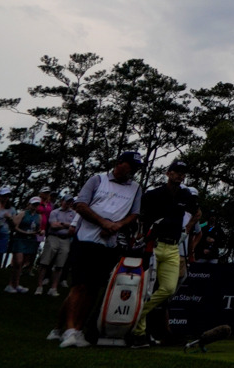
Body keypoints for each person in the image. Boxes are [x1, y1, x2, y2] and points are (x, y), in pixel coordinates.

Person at [52, 150, 143, 349]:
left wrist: (116, 226)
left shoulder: (135, 188)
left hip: (109, 244)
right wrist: (103, 223)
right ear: (120, 163)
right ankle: (69, 331)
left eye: (136, 168)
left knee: (93, 288)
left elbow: (134, 214)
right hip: (85, 239)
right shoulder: (97, 180)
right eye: (130, 165)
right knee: (80, 286)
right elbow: (81, 205)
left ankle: (75, 328)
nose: (133, 171)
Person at [127, 159, 200, 348]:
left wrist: (186, 230)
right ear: (168, 173)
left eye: (182, 173)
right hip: (154, 245)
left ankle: (137, 315)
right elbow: (140, 215)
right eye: (176, 172)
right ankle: (139, 333)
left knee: (168, 289)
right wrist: (141, 234)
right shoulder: (154, 194)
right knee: (147, 290)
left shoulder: (186, 195)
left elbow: (197, 213)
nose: (180, 175)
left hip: (173, 247)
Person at [34, 196, 79, 297]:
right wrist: (67, 225)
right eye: (66, 201)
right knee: (45, 263)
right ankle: (39, 286)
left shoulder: (74, 214)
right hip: (53, 237)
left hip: (66, 239)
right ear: (62, 201)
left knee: (60, 264)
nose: (68, 203)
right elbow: (53, 225)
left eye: (70, 202)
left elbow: (75, 227)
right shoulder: (55, 212)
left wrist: (61, 224)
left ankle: (53, 288)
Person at [6, 196, 43, 293]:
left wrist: (40, 234)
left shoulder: (39, 216)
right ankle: (10, 284)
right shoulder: (23, 213)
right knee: (18, 261)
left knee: (22, 263)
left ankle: (16, 284)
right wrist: (26, 233)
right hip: (20, 239)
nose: (35, 206)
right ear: (29, 204)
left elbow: (38, 228)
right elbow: (15, 227)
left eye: (37, 205)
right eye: (33, 204)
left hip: (30, 241)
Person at [0, 187, 13, 269]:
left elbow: (14, 223)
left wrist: (10, 218)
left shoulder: (11, 209)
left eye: (7, 196)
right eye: (4, 196)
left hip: (4, 234)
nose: (6, 198)